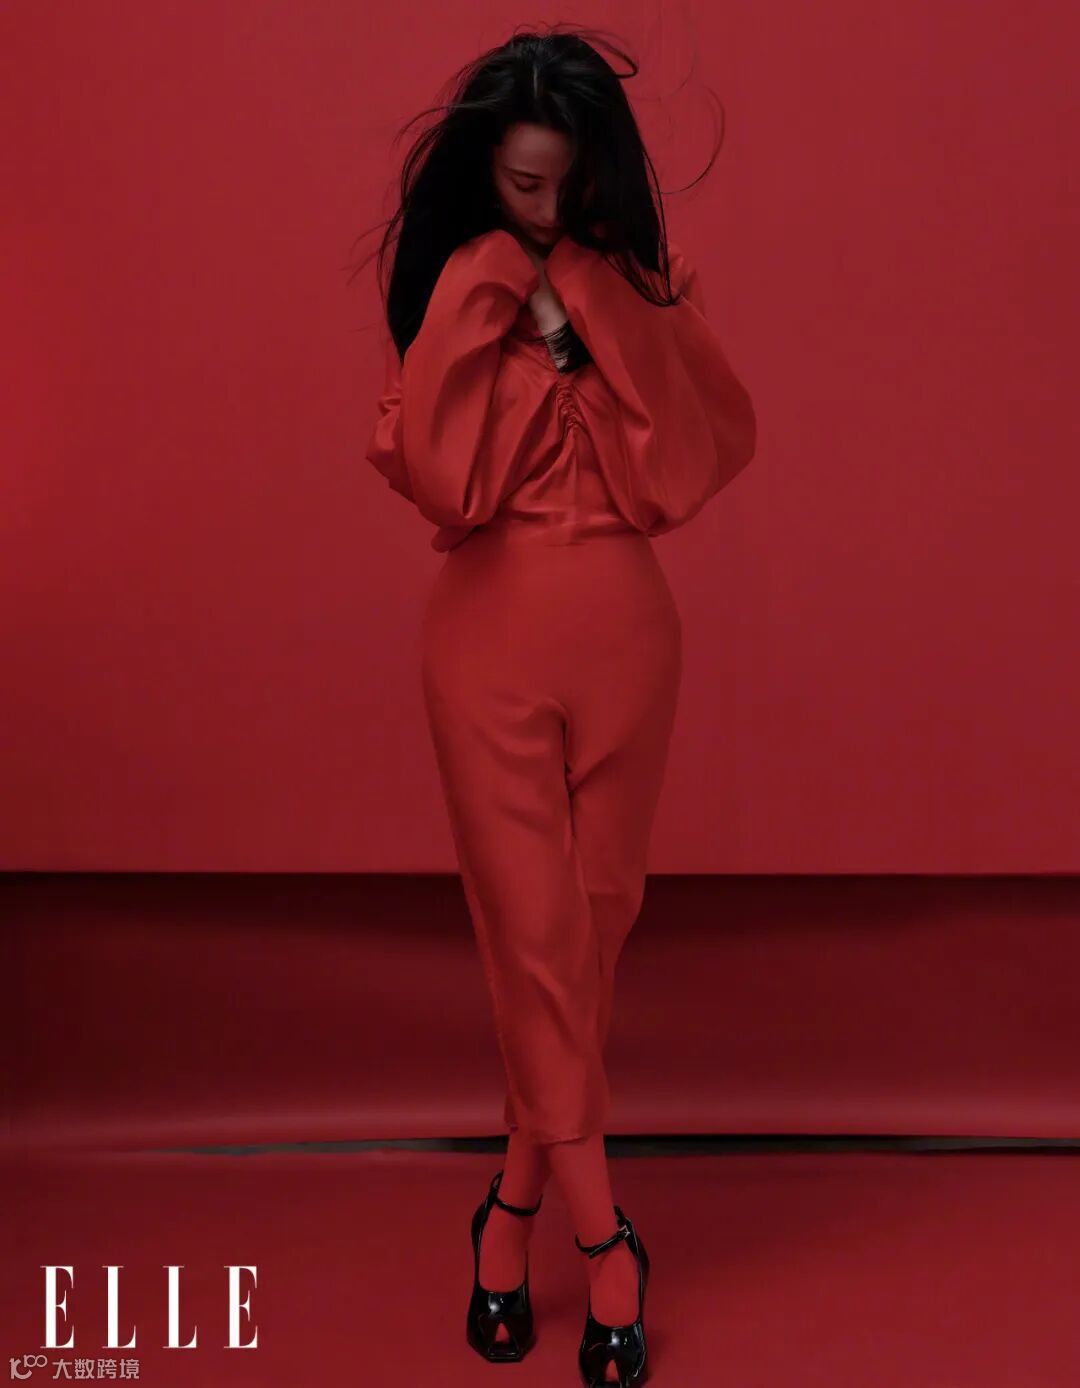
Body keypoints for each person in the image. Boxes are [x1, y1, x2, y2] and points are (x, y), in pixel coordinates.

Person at [359, 25, 756, 1387]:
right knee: (535, 942)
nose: (542, 207)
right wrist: (503, 297)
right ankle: (603, 1243)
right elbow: (444, 480)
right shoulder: (458, 289)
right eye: (520, 184)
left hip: (629, 638)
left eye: (562, 184)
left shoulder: (636, 281)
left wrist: (586, 305)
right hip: (488, 643)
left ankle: (508, 1209)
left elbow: (686, 464)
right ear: (486, 171)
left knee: (588, 937)